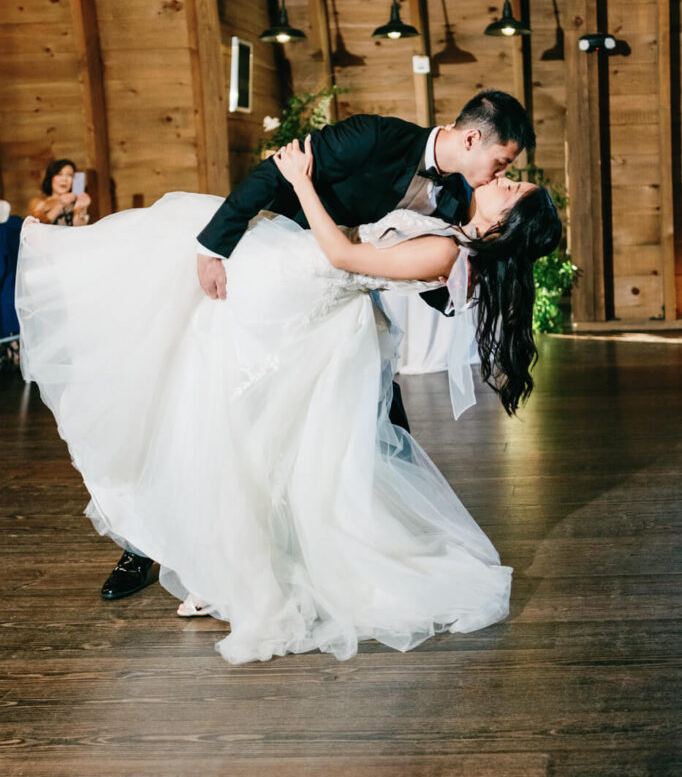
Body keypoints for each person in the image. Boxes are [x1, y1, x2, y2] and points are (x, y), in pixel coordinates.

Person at [16, 135, 561, 667]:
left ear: (501, 225)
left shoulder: (446, 250)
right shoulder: (453, 229)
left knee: (223, 415)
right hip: (299, 289)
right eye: (510, 173)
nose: (504, 179)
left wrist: (302, 184)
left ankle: (216, 563)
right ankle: (191, 551)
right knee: (215, 395)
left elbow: (345, 254)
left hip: (302, 287)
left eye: (512, 190)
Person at [101, 90, 537, 600]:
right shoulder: (376, 135)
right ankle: (143, 543)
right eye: (501, 162)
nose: (498, 174)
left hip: (336, 307)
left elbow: (422, 267)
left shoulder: (461, 201)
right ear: (471, 138)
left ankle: (334, 543)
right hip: (277, 271)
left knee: (339, 431)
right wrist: (212, 246)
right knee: (207, 405)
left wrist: (464, 284)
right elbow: (277, 171)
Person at [28, 159, 90, 227]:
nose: (64, 179)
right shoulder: (38, 202)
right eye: (59, 174)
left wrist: (82, 208)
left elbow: (79, 227)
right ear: (51, 178)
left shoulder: (76, 202)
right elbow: (38, 225)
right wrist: (60, 205)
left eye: (70, 175)